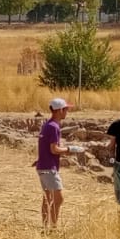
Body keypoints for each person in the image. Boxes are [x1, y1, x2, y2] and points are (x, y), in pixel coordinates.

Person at [35, 96, 70, 229]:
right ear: (59, 110)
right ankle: (53, 228)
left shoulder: (47, 125)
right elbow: (54, 149)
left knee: (47, 198)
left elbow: (44, 146)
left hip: (42, 166)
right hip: (49, 168)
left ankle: (45, 227)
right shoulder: (54, 127)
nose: (67, 112)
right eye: (66, 109)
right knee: (58, 199)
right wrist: (69, 149)